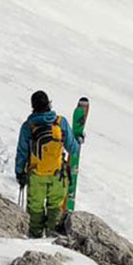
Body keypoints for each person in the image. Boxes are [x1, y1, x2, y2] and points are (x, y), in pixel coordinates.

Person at [15, 90, 81, 238]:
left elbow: (22, 152)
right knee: (55, 209)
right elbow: (73, 149)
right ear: (48, 104)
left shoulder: (28, 127)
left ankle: (35, 239)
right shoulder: (60, 122)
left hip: (36, 175)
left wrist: (20, 173)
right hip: (57, 175)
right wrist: (78, 140)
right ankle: (53, 239)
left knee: (35, 210)